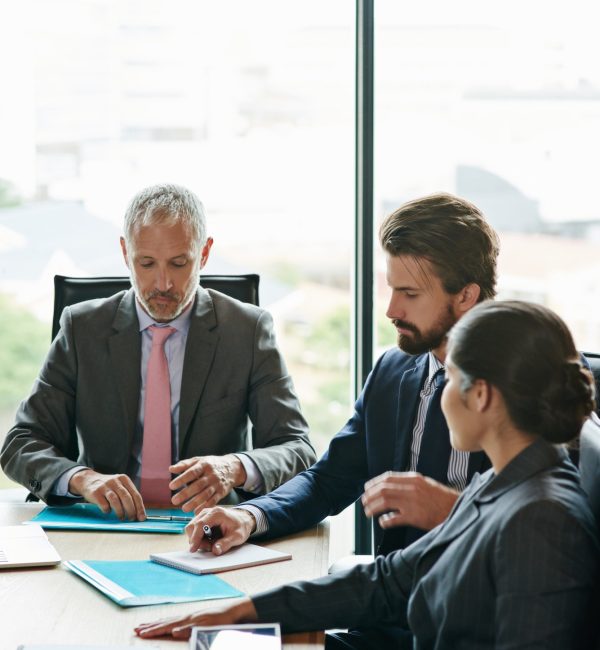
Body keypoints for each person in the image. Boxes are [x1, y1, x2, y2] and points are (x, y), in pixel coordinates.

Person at [135, 300, 600, 649]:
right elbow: (389, 583)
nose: (439, 395)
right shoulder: (500, 483)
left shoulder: (542, 519)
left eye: (449, 379)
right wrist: (238, 613)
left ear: (480, 395)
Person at [185, 193, 499, 561]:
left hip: (489, 605)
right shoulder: (392, 373)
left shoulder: (534, 383)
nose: (391, 310)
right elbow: (327, 481)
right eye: (392, 289)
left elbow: (555, 524)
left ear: (465, 296)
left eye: (409, 294)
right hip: (393, 599)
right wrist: (248, 516)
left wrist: (451, 509)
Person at [0, 183, 316, 521]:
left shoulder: (247, 330)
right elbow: (20, 443)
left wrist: (234, 467)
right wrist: (82, 479)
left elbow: (298, 449)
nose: (162, 284)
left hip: (211, 526)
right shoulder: (82, 329)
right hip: (104, 524)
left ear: (204, 253)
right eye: (147, 263)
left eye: (179, 263)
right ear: (125, 252)